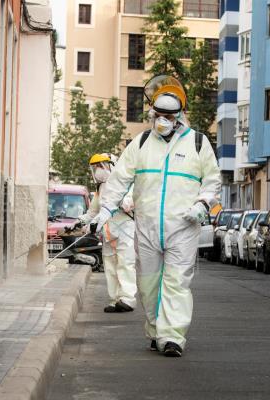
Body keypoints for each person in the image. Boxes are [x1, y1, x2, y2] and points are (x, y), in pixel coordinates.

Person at [92, 75, 221, 357]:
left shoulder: (198, 144)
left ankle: (172, 337)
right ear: (153, 114)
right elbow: (118, 180)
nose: (162, 120)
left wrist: (202, 204)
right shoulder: (140, 144)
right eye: (158, 115)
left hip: (183, 228)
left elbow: (212, 181)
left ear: (178, 117)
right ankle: (155, 329)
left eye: (168, 116)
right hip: (147, 227)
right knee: (148, 284)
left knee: (177, 282)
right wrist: (105, 210)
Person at [73, 153, 137, 313]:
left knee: (125, 264)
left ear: (112, 165)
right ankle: (114, 300)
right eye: (95, 167)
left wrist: (116, 200)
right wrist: (78, 222)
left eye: (101, 166)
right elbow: (93, 212)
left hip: (125, 229)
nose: (98, 170)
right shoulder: (100, 188)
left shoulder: (125, 183)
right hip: (108, 231)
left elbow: (130, 204)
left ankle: (127, 299)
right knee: (110, 266)